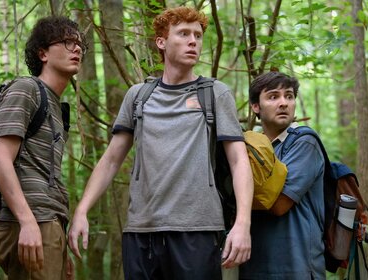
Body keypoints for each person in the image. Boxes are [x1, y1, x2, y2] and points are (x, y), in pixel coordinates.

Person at [68, 6, 253, 279]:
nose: (193, 41)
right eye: (183, 34)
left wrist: (242, 224)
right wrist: (82, 210)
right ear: (161, 42)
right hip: (142, 231)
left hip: (197, 230)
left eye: (198, 35)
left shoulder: (215, 93)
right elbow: (110, 160)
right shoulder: (138, 96)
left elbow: (239, 161)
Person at [0, 16, 87, 279]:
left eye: (79, 44)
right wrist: (27, 222)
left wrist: (59, 244)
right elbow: (0, 159)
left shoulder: (56, 106)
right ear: (42, 53)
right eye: (68, 42)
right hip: (29, 223)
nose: (77, 48)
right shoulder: (25, 89)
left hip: (48, 222)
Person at [239, 71, 326, 279]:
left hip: (297, 267)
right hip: (253, 265)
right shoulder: (249, 149)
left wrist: (238, 193)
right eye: (273, 96)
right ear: (255, 107)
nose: (284, 103)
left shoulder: (304, 142)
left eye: (289, 96)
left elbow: (278, 204)